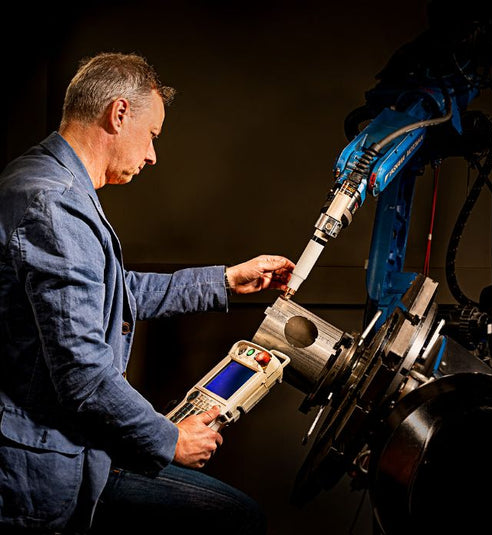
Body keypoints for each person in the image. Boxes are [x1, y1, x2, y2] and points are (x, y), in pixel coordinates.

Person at [0, 52, 294, 534]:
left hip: (82, 449)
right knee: (240, 517)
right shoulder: (55, 204)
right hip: (48, 468)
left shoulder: (43, 179)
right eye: (152, 134)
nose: (153, 155)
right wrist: (170, 439)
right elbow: (83, 372)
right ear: (118, 114)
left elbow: (117, 292)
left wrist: (226, 279)